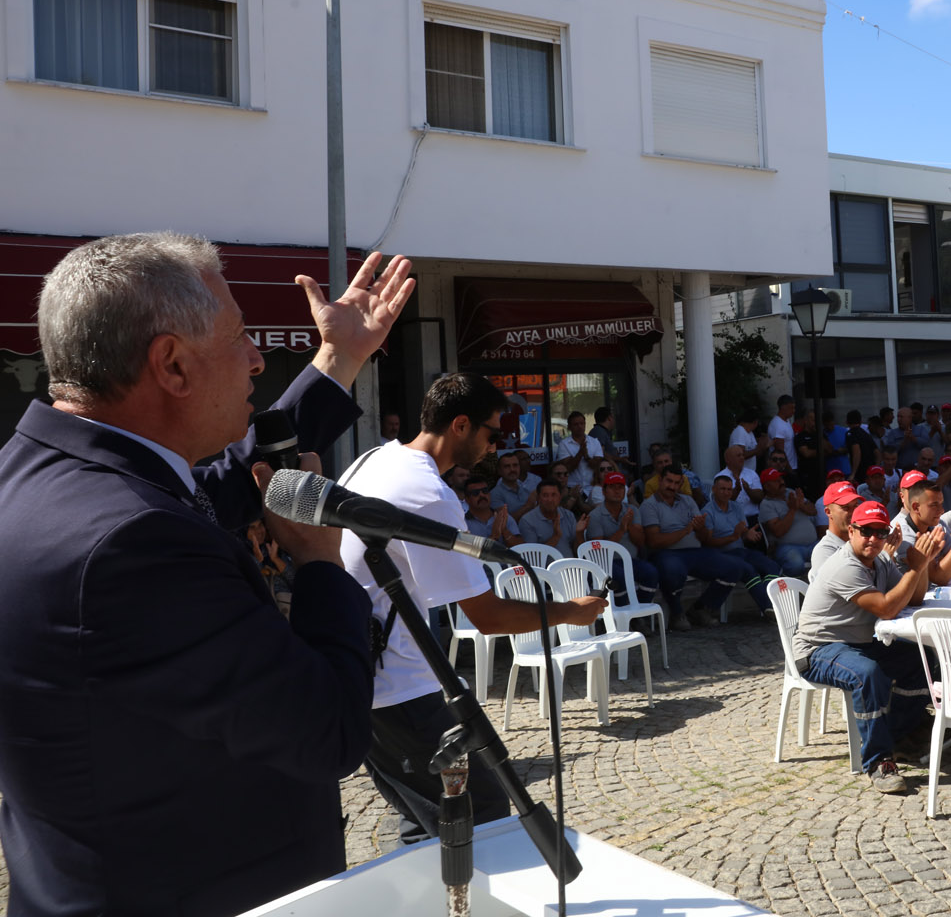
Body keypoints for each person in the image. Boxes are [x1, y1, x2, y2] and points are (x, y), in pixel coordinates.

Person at [0, 235, 408, 916]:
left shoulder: (45, 478)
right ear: (173, 366)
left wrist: (339, 360)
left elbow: (219, 484)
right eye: (241, 338)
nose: (257, 359)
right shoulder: (134, 544)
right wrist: (317, 560)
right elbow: (327, 730)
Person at [341, 373, 609, 846]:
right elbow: (488, 617)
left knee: (426, 820)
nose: (494, 445)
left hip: (364, 676)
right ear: (460, 425)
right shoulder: (431, 494)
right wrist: (570, 611)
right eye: (491, 431)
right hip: (399, 687)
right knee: (482, 812)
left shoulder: (373, 459)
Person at [792, 501, 939, 793]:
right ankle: (877, 761)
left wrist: (918, 568)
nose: (872, 538)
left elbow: (913, 599)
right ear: (851, 531)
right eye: (865, 531)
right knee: (867, 674)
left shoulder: (881, 561)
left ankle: (899, 733)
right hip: (816, 649)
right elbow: (886, 609)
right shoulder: (845, 565)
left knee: (922, 657)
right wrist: (917, 567)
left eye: (880, 532)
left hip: (854, 643)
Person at [637, 462, 757, 628]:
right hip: (666, 553)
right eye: (668, 481)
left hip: (695, 551)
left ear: (681, 484)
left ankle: (702, 609)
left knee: (735, 567)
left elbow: (702, 537)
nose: (672, 486)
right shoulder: (649, 505)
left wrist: (701, 528)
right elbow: (654, 541)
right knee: (673, 570)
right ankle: (677, 613)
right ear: (660, 481)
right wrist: (687, 530)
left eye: (676, 483)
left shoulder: (687, 500)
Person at [697, 474, 780, 606]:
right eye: (722, 489)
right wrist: (733, 537)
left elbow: (742, 533)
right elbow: (708, 542)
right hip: (722, 554)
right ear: (714, 489)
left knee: (772, 566)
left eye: (729, 489)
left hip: (741, 551)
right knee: (749, 570)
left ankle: (769, 604)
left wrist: (747, 534)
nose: (726, 493)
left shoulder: (736, 507)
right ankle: (770, 608)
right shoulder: (707, 512)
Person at [582, 471, 658, 608]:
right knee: (620, 577)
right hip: (606, 563)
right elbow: (599, 552)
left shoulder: (632, 510)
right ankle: (623, 613)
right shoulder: (595, 515)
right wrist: (621, 530)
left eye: (620, 487)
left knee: (651, 572)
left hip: (630, 560)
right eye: (612, 487)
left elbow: (641, 542)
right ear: (604, 491)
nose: (617, 491)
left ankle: (640, 612)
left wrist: (630, 527)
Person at [759, 467, 818, 577]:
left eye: (781, 479)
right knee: (796, 565)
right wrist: (792, 510)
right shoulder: (766, 504)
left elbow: (813, 511)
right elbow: (778, 532)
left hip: (812, 544)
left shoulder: (790, 492)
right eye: (776, 480)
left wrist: (801, 505)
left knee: (830, 558)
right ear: (766, 486)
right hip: (788, 547)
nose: (781, 482)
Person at [809, 480, 865, 578]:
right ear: (828, 512)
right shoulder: (824, 551)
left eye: (855, 506)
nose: (853, 512)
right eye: (846, 508)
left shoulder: (863, 542)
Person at [517, 478, 577, 553]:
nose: (550, 500)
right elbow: (532, 556)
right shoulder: (527, 521)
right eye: (545, 495)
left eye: (554, 495)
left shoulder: (569, 515)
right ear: (538, 498)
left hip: (571, 564)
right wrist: (555, 537)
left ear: (560, 497)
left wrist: (580, 533)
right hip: (544, 565)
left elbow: (577, 550)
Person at [555, 410, 605, 492]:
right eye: (576, 424)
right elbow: (568, 468)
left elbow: (598, 466)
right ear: (569, 427)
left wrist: (586, 457)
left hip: (593, 488)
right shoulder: (564, 444)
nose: (580, 426)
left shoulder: (595, 442)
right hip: (572, 489)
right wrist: (580, 453)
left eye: (582, 423)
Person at [463, 477, 522, 547]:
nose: (481, 495)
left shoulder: (504, 518)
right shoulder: (463, 522)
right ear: (467, 499)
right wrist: (494, 536)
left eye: (485, 491)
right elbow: (467, 553)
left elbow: (522, 548)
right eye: (475, 493)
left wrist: (505, 531)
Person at [490, 449, 539, 519]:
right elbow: (504, 522)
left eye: (515, 465)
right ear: (499, 471)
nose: (512, 469)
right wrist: (528, 506)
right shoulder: (494, 495)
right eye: (507, 466)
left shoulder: (525, 490)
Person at [768, 394, 799, 470]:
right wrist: (789, 469)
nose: (793, 411)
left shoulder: (786, 421)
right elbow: (780, 451)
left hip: (792, 466)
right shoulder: (778, 425)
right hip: (784, 469)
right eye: (791, 408)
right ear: (783, 407)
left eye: (794, 408)